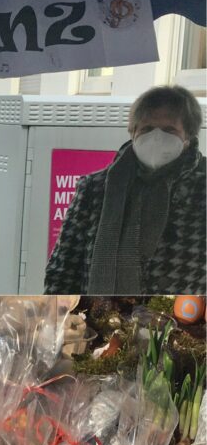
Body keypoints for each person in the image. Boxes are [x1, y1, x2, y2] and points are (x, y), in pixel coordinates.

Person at [45, 85, 205, 295]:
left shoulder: (202, 189)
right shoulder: (95, 188)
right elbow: (63, 267)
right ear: (133, 132)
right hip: (99, 318)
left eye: (169, 130)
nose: (156, 138)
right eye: (147, 129)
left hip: (183, 321)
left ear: (188, 138)